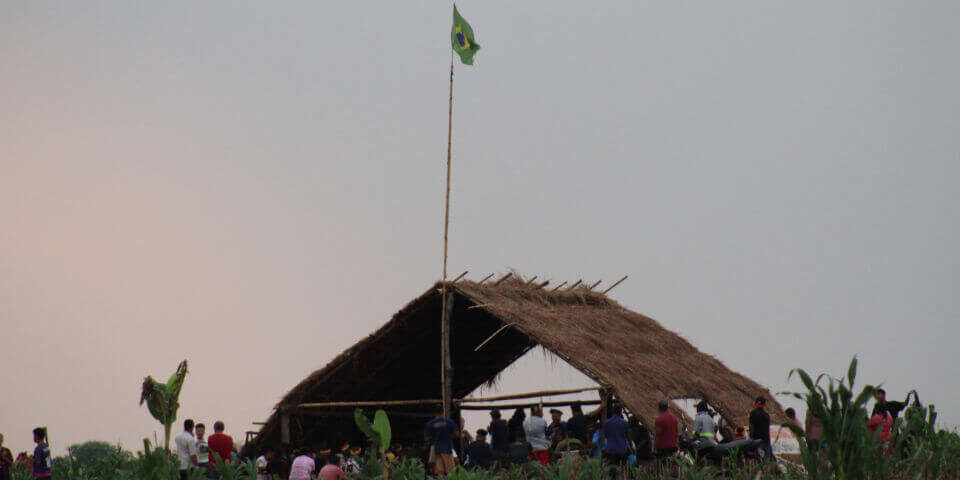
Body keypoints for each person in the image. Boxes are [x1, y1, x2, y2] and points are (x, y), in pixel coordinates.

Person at [424, 409, 459, 476]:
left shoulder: (430, 423)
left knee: (440, 472)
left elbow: (426, 438)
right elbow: (457, 434)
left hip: (436, 450)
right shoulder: (449, 422)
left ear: (435, 414)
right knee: (450, 471)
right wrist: (449, 436)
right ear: (443, 413)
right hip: (447, 449)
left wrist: (433, 438)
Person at [749, 397, 773, 461]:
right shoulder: (767, 415)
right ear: (764, 405)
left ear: (755, 403)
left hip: (757, 440)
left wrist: (751, 438)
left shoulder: (753, 413)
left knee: (758, 459)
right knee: (767, 459)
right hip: (766, 439)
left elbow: (751, 427)